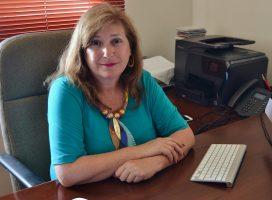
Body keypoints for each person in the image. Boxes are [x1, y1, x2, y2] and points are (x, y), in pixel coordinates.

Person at [47, 3, 195, 187]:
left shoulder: (143, 81)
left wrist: (155, 162)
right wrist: (146, 149)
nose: (107, 53)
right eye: (95, 43)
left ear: (130, 49)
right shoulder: (66, 90)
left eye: (116, 41)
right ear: (82, 52)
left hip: (144, 188)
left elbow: (184, 135)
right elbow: (68, 173)